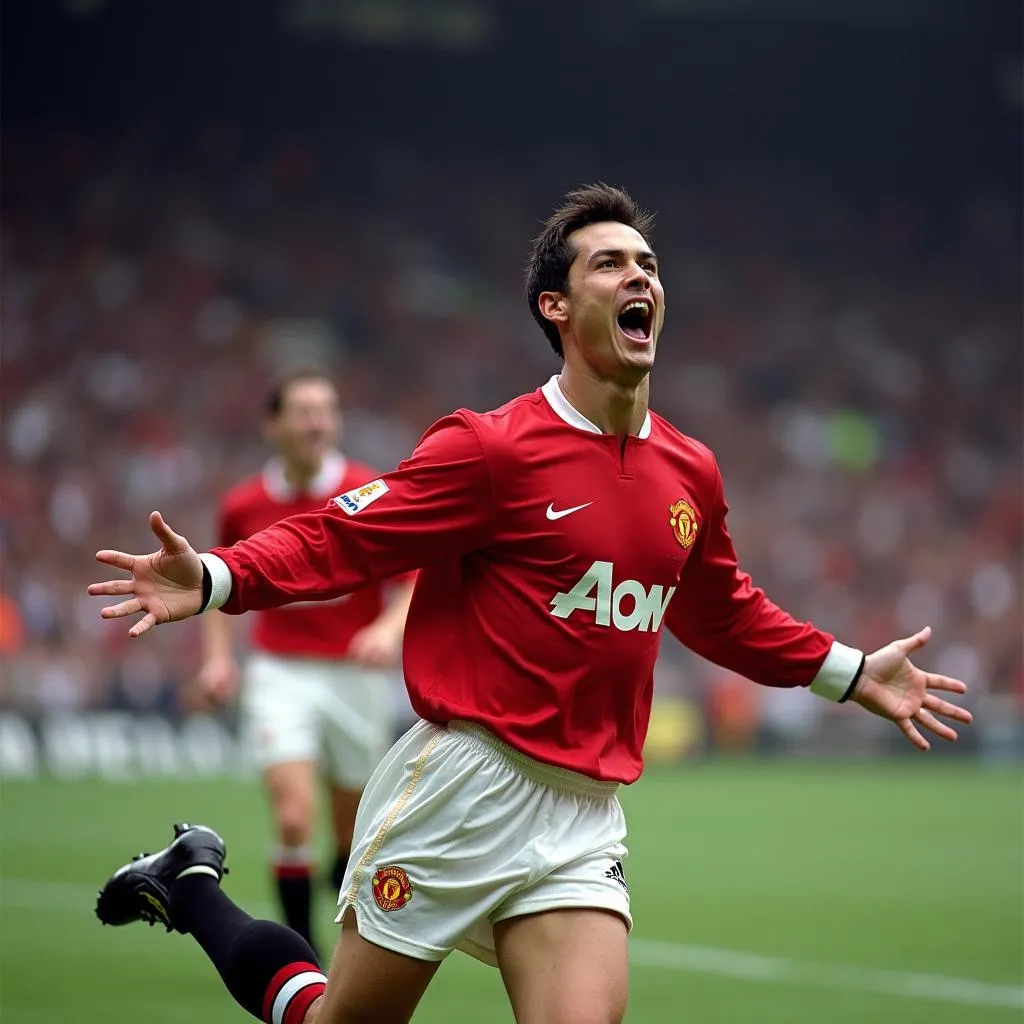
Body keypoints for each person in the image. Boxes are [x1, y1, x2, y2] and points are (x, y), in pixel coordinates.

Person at [90, 184, 971, 1024]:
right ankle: (192, 887)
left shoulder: (690, 470)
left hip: (584, 813)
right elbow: (343, 536)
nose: (641, 278)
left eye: (650, 266)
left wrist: (852, 673)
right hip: (465, 787)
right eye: (610, 264)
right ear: (555, 306)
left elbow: (719, 610)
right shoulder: (492, 449)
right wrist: (213, 577)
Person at [195, 369, 414, 953]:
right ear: (274, 425)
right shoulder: (244, 505)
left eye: (327, 409)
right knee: (294, 818)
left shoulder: (367, 492)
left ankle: (349, 955)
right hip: (280, 671)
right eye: (304, 410)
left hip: (354, 676)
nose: (318, 421)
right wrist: (217, 661)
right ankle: (300, 958)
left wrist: (386, 628)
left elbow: (410, 579)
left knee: (351, 833)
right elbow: (216, 586)